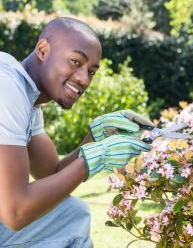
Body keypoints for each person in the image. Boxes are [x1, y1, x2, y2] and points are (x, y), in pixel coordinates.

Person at [0, 17, 154, 248]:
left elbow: (51, 174)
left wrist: (95, 139)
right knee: (70, 216)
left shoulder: (27, 96)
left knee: (71, 213)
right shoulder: (7, 87)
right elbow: (16, 212)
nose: (84, 79)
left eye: (91, 71)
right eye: (75, 61)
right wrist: (97, 158)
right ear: (42, 49)